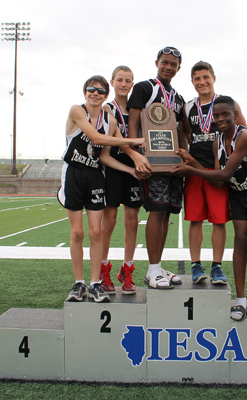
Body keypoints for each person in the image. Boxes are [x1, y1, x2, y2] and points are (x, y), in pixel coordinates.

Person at [173, 96, 247, 321]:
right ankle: (240, 301)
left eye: (225, 114)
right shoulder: (217, 141)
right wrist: (192, 160)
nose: (220, 119)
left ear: (235, 115)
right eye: (216, 115)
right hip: (238, 194)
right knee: (240, 241)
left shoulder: (244, 136)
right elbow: (219, 181)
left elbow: (225, 174)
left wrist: (190, 170)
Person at [58, 75, 146, 303]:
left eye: (100, 91)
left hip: (95, 176)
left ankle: (95, 283)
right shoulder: (77, 111)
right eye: (91, 89)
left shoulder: (111, 121)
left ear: (106, 95)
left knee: (96, 232)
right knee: (77, 232)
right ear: (85, 92)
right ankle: (79, 282)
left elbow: (106, 156)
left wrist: (129, 171)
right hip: (74, 175)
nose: (95, 94)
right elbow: (96, 137)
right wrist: (134, 141)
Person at [127, 46, 188, 289]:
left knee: (166, 214)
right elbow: (133, 122)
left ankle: (158, 265)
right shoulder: (145, 88)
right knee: (156, 210)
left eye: (173, 64)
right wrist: (135, 156)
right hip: (151, 161)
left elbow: (181, 131)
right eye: (165, 62)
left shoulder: (179, 97)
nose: (169, 67)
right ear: (157, 62)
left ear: (178, 68)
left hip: (173, 163)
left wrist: (184, 158)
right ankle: (152, 270)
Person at [183, 61, 247, 285]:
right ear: (192, 82)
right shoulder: (188, 107)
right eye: (197, 78)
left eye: (205, 77)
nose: (202, 82)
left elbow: (242, 132)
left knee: (219, 220)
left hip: (219, 169)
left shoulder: (227, 103)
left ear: (214, 78)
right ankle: (195, 265)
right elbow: (188, 134)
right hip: (194, 169)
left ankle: (217, 266)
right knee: (195, 219)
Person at [100, 66, 144, 295]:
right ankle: (103, 270)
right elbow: (112, 142)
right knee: (109, 221)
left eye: (128, 80)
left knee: (132, 220)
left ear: (132, 83)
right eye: (120, 80)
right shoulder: (107, 108)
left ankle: (127, 271)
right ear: (112, 82)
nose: (124, 84)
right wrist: (133, 157)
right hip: (115, 167)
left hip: (135, 168)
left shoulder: (139, 109)